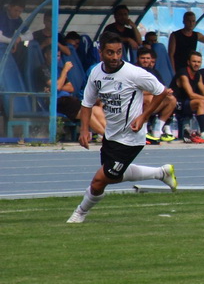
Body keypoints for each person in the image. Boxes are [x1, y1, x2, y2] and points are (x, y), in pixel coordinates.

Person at [67, 32, 178, 224]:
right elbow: (87, 103)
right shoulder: (96, 73)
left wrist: (143, 116)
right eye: (110, 52)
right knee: (112, 175)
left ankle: (79, 213)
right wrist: (84, 130)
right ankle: (162, 173)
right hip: (111, 135)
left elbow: (162, 91)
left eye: (118, 52)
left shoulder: (133, 73)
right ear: (101, 52)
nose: (115, 57)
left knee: (100, 180)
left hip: (131, 138)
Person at [136, 47, 177, 144]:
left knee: (172, 99)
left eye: (148, 58)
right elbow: (135, 91)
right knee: (148, 98)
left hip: (153, 102)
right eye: (143, 58)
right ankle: (144, 131)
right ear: (137, 59)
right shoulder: (133, 71)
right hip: (137, 104)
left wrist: (167, 91)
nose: (145, 60)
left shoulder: (154, 72)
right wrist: (153, 92)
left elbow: (162, 88)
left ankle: (157, 129)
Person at [0, 0, 32, 66]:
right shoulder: (2, 16)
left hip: (8, 46)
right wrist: (12, 42)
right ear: (9, 7)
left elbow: (30, 35)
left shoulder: (17, 19)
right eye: (15, 10)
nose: (17, 13)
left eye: (20, 11)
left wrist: (20, 38)